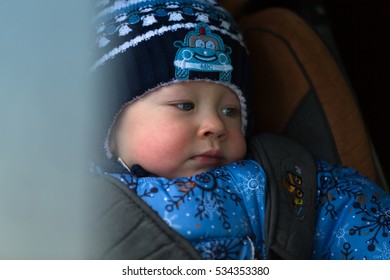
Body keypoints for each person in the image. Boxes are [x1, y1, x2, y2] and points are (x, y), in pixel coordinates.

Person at [90, 0, 390, 259]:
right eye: (184, 106)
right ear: (109, 124)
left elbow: (351, 216)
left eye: (230, 111)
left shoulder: (268, 183)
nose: (216, 126)